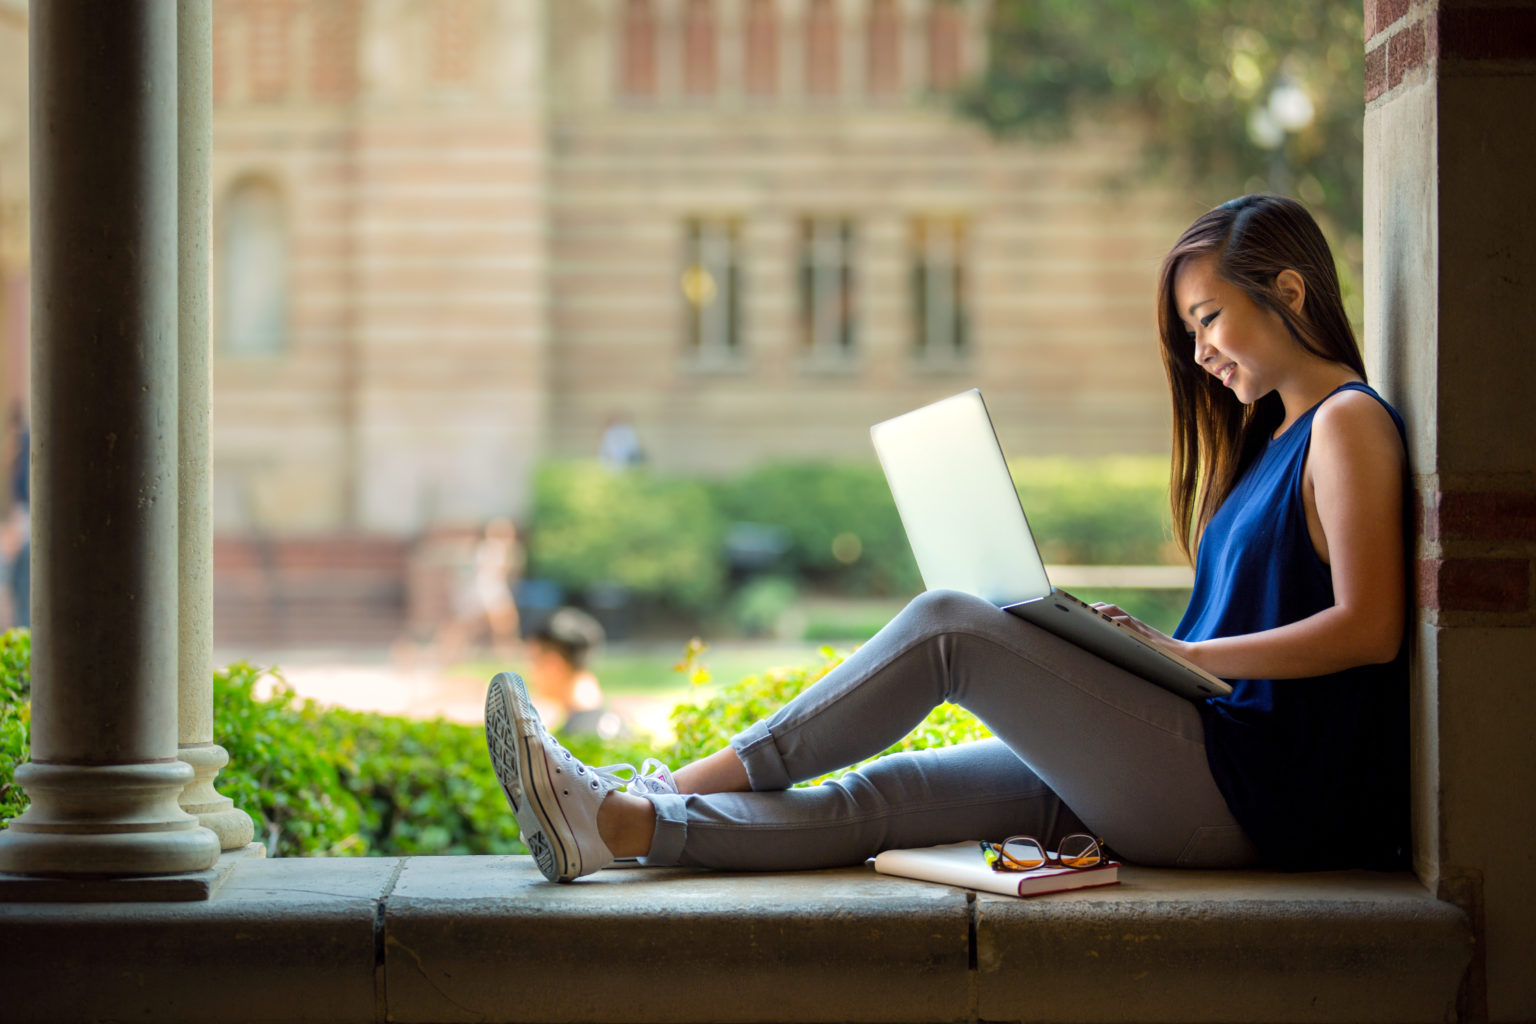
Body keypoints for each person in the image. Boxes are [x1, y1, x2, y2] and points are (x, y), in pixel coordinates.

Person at [485, 194, 1409, 884]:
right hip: (1196, 762)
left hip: (1251, 794)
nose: (1201, 351)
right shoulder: (1273, 441)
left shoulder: (1346, 424)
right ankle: (620, 826)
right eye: (1190, 331)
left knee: (951, 628)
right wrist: (1127, 651)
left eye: (1208, 319)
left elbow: (1372, 628)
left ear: (1287, 289)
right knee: (893, 799)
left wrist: (1186, 652)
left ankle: (657, 780)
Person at [524, 607, 624, 740]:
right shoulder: (620, 724)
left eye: (533, 660)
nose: (529, 671)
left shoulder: (571, 741)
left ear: (553, 664)